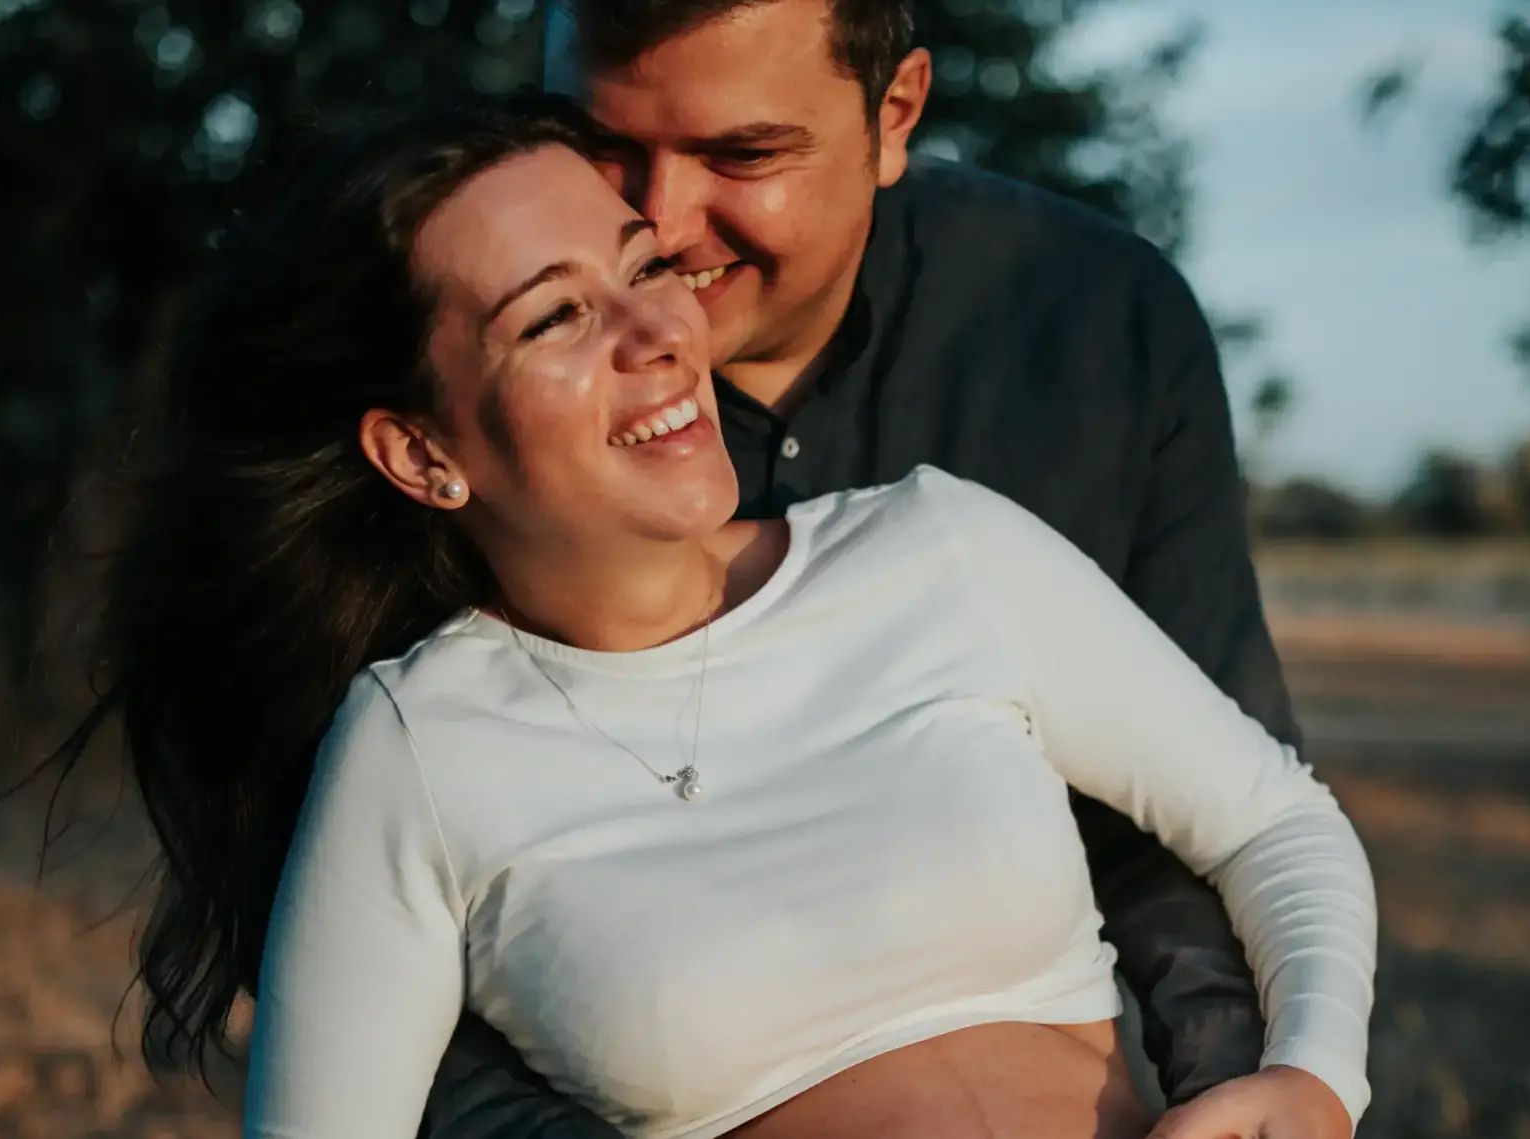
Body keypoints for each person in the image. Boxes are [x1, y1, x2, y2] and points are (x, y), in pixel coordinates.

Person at [79, 94, 1375, 1139]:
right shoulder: (419, 746)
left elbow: (1273, 817)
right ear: (421, 453)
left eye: (644, 267)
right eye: (555, 315)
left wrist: (1314, 1073)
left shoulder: (939, 548)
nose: (657, 329)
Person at [423, 2, 1312, 1137]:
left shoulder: (1099, 327)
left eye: (743, 154)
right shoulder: (439, 371)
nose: (660, 221)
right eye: (599, 142)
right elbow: (338, 894)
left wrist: (1239, 1094)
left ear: (893, 114)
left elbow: (1198, 824)